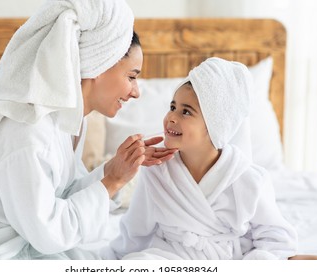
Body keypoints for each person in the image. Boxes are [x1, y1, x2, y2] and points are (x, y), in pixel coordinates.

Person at [0, 0, 175, 260]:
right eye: (131, 77)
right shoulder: (28, 127)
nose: (136, 92)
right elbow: (47, 232)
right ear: (100, 64)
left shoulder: (71, 120)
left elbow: (61, 197)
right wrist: (112, 182)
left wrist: (115, 169)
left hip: (14, 238)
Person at [109, 57, 300, 260]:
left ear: (215, 125)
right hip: (169, 259)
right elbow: (136, 230)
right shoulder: (157, 168)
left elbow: (276, 238)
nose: (172, 117)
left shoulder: (248, 179)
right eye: (172, 107)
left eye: (186, 112)